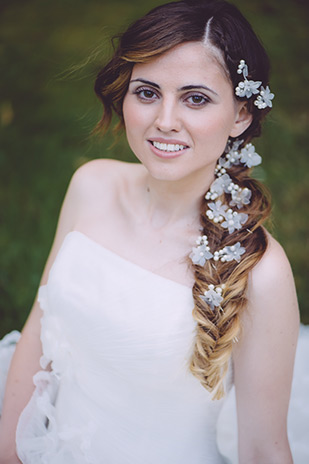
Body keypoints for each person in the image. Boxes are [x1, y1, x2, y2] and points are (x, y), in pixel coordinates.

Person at [0, 0, 304, 463]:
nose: (164, 120)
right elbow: (40, 327)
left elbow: (263, 450)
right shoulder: (91, 184)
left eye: (195, 98)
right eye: (147, 92)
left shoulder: (262, 273)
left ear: (241, 114)